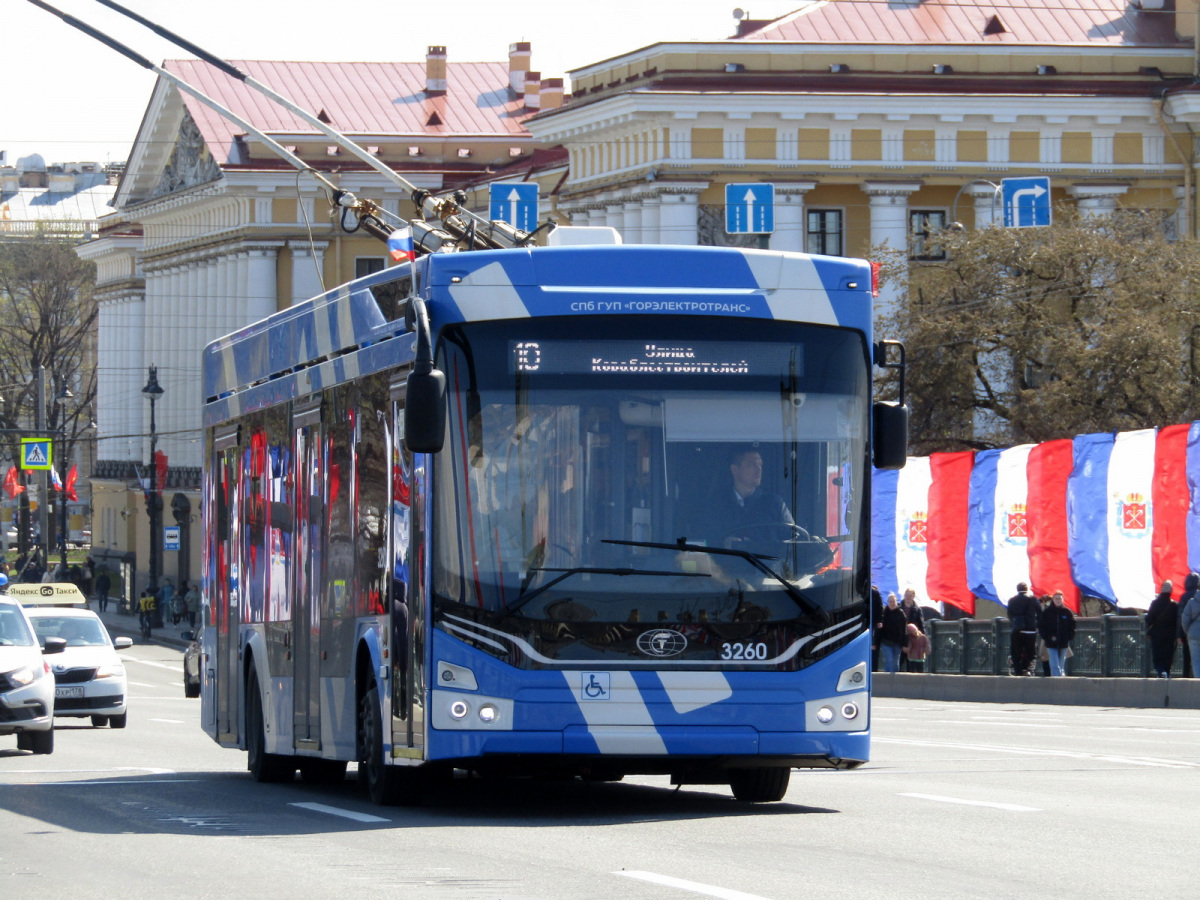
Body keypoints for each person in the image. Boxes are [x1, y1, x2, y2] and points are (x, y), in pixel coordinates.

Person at [1145, 580, 1178, 678]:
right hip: (1170, 634)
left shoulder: (1155, 603)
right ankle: (1167, 672)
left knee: (1157, 654)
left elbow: (1149, 619)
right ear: (1171, 591)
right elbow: (1177, 620)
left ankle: (1161, 671)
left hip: (1157, 633)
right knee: (1168, 654)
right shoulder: (1173, 605)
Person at [1038, 590, 1075, 677]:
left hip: (1063, 641)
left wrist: (1069, 636)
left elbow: (1072, 626)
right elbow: (1041, 626)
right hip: (1051, 642)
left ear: (1062, 599)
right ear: (1053, 600)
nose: (1058, 600)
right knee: (1054, 664)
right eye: (1056, 598)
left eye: (1060, 598)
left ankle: (1061, 682)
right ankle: (1056, 681)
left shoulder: (1067, 612)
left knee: (1061, 664)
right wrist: (1046, 637)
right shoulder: (1047, 612)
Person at [1007, 581, 1040, 676]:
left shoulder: (1012, 600)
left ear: (1017, 589)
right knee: (1031, 651)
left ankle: (1018, 671)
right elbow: (1039, 613)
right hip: (1030, 629)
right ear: (1027, 589)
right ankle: (1029, 669)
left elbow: (1010, 614)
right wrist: (1037, 625)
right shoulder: (1033, 599)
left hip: (1017, 629)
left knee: (1016, 651)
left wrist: (1014, 624)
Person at [879, 592, 909, 674]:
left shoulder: (901, 613)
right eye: (890, 601)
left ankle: (894, 682)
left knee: (895, 663)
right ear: (887, 602)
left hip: (897, 642)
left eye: (893, 601)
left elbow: (904, 630)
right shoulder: (884, 613)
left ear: (896, 602)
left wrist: (905, 644)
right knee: (889, 661)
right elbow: (879, 628)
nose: (892, 603)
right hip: (886, 642)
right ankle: (887, 682)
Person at [1177, 573, 1199, 677]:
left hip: (1190, 634)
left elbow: (1182, 618)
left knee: (1189, 659)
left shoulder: (1185, 597)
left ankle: (1188, 680)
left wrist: (1182, 634)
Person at [898, 588, 925, 669]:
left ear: (913, 596)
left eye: (910, 595)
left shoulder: (917, 609)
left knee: (911, 664)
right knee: (898, 663)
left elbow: (921, 625)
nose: (908, 597)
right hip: (900, 638)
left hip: (912, 639)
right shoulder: (899, 608)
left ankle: (909, 680)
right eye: (906, 595)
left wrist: (922, 639)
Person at [870, 584, 884, 672]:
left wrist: (879, 620)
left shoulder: (875, 593)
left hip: (874, 624)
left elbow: (880, 607)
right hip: (863, 622)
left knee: (874, 647)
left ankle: (874, 669)